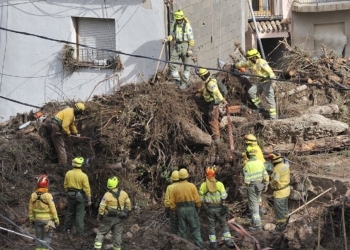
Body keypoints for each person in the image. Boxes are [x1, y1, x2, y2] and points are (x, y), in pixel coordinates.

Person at [195, 68, 245, 144]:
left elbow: (216, 92)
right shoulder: (209, 80)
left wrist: (223, 100)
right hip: (215, 102)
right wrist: (199, 91)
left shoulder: (211, 84)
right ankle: (240, 109)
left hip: (214, 103)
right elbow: (205, 88)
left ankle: (217, 139)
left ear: (203, 76)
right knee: (223, 110)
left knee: (212, 120)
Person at [235, 48, 277, 119]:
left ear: (255, 57)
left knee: (270, 99)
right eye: (249, 58)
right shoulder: (251, 63)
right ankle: (261, 108)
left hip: (267, 82)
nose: (250, 60)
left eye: (251, 58)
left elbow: (270, 72)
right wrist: (235, 65)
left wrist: (273, 82)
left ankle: (273, 118)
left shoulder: (261, 62)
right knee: (251, 92)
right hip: (260, 82)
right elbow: (243, 64)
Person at [199, 166, 234, 249]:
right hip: (219, 209)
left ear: (205, 175)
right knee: (224, 225)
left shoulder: (203, 186)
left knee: (211, 227)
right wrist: (226, 192)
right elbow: (224, 197)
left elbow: (200, 199)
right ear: (215, 175)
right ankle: (229, 242)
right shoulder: (219, 184)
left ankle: (213, 244)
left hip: (209, 209)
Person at [94, 176, 132, 250]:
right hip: (119, 218)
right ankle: (117, 248)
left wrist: (100, 216)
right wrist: (128, 212)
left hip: (108, 217)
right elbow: (128, 205)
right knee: (117, 234)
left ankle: (97, 248)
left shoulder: (107, 195)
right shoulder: (124, 193)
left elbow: (102, 207)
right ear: (117, 183)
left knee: (101, 232)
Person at [170, 168, 202, 248]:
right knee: (195, 228)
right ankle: (199, 246)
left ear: (179, 177)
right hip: (191, 209)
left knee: (183, 230)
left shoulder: (175, 188)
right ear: (187, 176)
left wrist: (174, 210)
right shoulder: (192, 186)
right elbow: (197, 199)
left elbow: (172, 202)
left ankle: (185, 247)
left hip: (180, 211)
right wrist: (198, 206)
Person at [163, 10, 194, 90]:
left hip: (185, 45)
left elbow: (191, 38)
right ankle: (177, 80)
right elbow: (172, 35)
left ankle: (184, 82)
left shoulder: (187, 26)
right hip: (177, 45)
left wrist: (190, 49)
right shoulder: (174, 24)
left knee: (186, 66)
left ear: (182, 18)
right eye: (177, 20)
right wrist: (168, 38)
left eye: (180, 20)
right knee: (171, 63)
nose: (179, 21)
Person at [29, 174, 59, 250]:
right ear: (47, 184)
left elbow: (30, 209)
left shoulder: (33, 195)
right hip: (48, 221)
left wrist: (31, 219)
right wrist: (56, 220)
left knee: (39, 237)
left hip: (37, 220)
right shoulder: (48, 196)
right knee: (47, 237)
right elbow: (53, 209)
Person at [63, 157, 91, 236]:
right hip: (80, 197)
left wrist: (67, 192)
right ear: (81, 165)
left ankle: (67, 228)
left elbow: (65, 185)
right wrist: (89, 199)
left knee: (70, 212)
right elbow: (87, 188)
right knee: (79, 214)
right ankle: (80, 232)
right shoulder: (83, 176)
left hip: (70, 195)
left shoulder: (68, 173)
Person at [243, 148, 269, 231]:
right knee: (257, 202)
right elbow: (265, 174)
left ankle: (257, 226)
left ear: (248, 156)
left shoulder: (247, 165)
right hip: (260, 185)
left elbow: (247, 180)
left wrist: (245, 187)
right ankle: (255, 222)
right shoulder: (260, 163)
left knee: (253, 206)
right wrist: (266, 184)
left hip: (252, 186)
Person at [267, 151, 290, 235]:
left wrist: (271, 183)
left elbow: (276, 180)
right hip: (286, 190)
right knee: (285, 210)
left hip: (280, 193)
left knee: (279, 212)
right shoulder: (285, 166)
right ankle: (286, 225)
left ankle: (280, 229)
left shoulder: (277, 169)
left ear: (273, 161)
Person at [164, 170, 180, 235]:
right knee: (182, 226)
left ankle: (175, 240)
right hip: (181, 208)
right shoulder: (182, 186)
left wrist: (167, 210)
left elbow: (167, 201)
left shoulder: (169, 187)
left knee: (173, 227)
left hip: (172, 210)